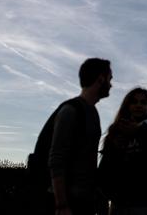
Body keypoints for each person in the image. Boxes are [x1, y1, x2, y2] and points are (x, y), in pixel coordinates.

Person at [49, 58, 112, 215]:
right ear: (100, 79)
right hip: (70, 203)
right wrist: (61, 205)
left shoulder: (92, 113)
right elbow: (57, 158)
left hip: (84, 201)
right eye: (110, 79)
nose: (111, 85)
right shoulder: (70, 111)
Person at [99, 87, 147, 215]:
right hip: (121, 204)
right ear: (127, 105)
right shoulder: (116, 131)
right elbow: (106, 168)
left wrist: (139, 131)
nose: (138, 105)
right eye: (134, 102)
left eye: (143, 102)